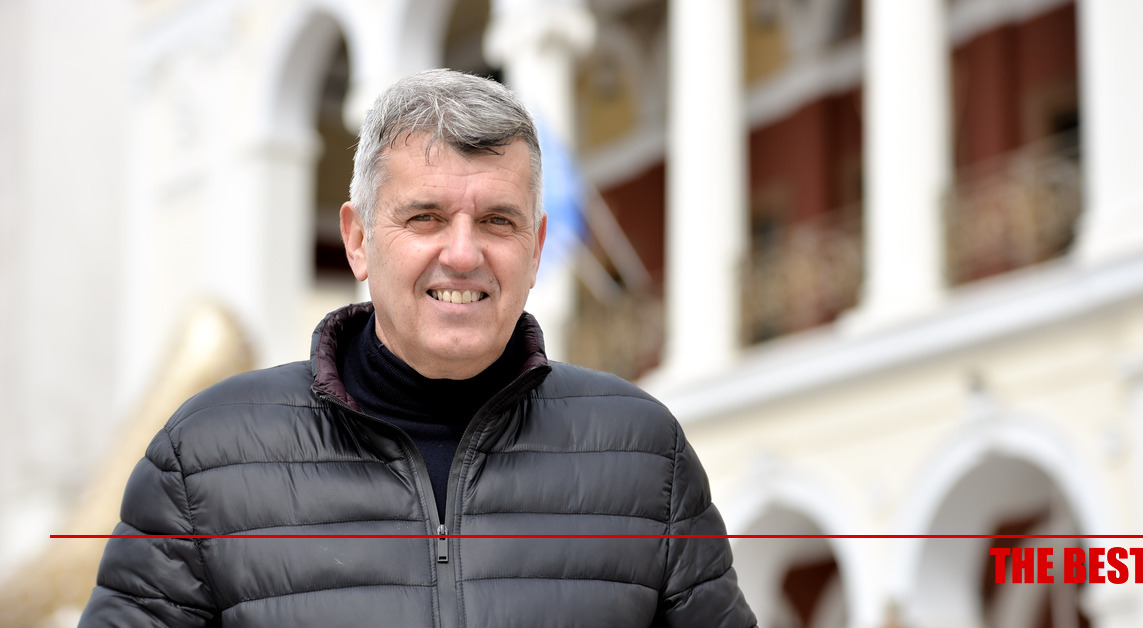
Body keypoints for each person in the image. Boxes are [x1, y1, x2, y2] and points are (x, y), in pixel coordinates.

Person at [80, 69, 757, 627]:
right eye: (425, 217)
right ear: (358, 241)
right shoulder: (205, 457)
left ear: (536, 248)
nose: (462, 254)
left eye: (497, 221)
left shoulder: (644, 455)